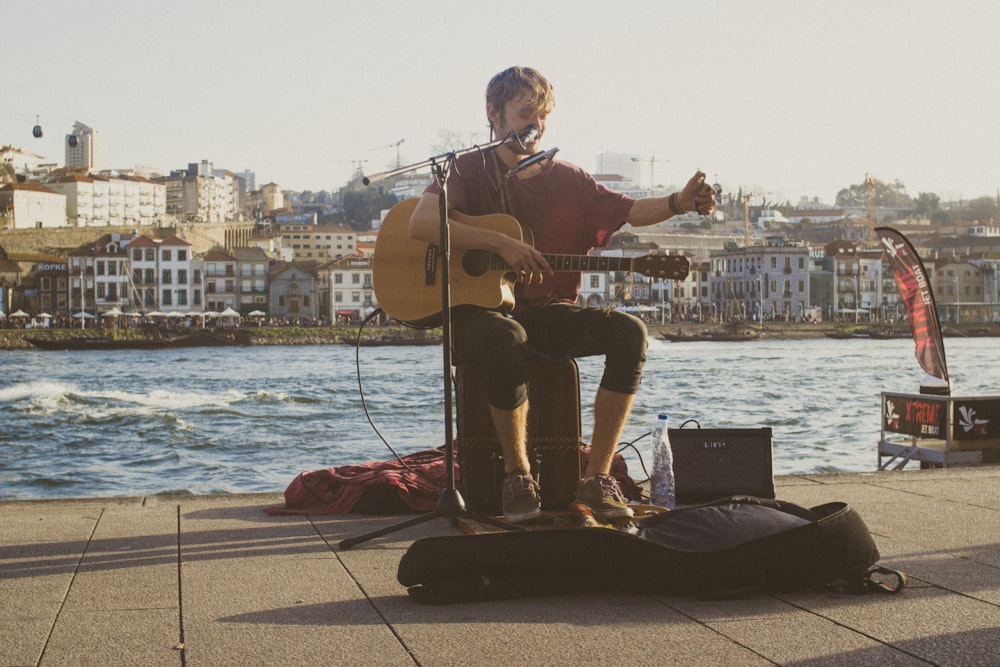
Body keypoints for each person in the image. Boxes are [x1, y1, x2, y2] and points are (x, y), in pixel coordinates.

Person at [408, 66, 716, 523]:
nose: (537, 124)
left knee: (630, 332)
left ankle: (595, 480)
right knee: (504, 336)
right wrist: (500, 243)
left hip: (548, 312)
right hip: (474, 314)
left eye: (544, 114)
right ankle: (518, 476)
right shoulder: (468, 169)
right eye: (526, 112)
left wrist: (678, 203)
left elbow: (628, 210)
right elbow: (419, 224)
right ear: (494, 114)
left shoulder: (570, 179)